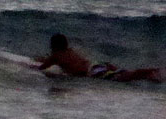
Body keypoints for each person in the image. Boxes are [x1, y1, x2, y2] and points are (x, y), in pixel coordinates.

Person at [33, 33, 162, 82]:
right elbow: (64, 62)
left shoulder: (56, 56)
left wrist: (27, 67)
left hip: (92, 72)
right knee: (123, 73)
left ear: (54, 45)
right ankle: (151, 74)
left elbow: (41, 68)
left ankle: (154, 72)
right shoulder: (69, 51)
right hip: (96, 65)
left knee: (124, 77)